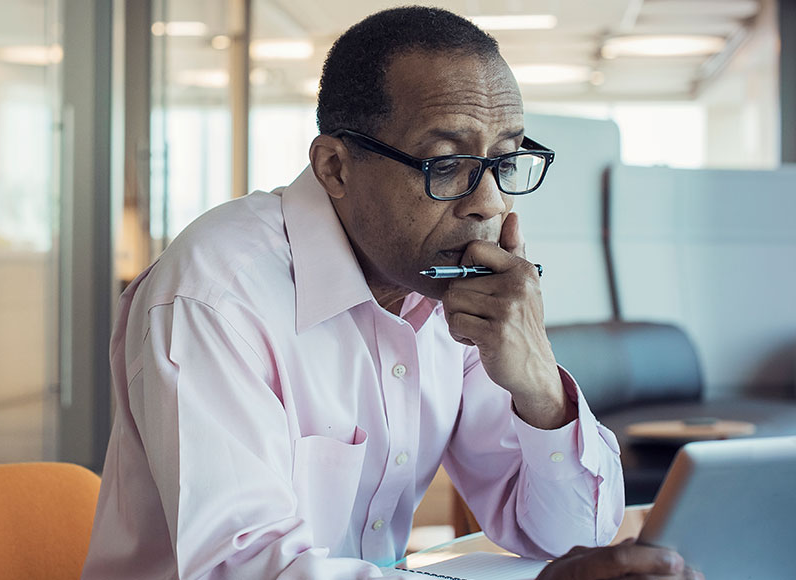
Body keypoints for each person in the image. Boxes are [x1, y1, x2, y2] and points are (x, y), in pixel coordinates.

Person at [82, 6, 695, 580]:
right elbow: (241, 567)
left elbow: (567, 538)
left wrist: (539, 388)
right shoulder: (214, 296)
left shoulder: (453, 291)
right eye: (447, 163)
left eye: (505, 162)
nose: (489, 203)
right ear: (335, 168)